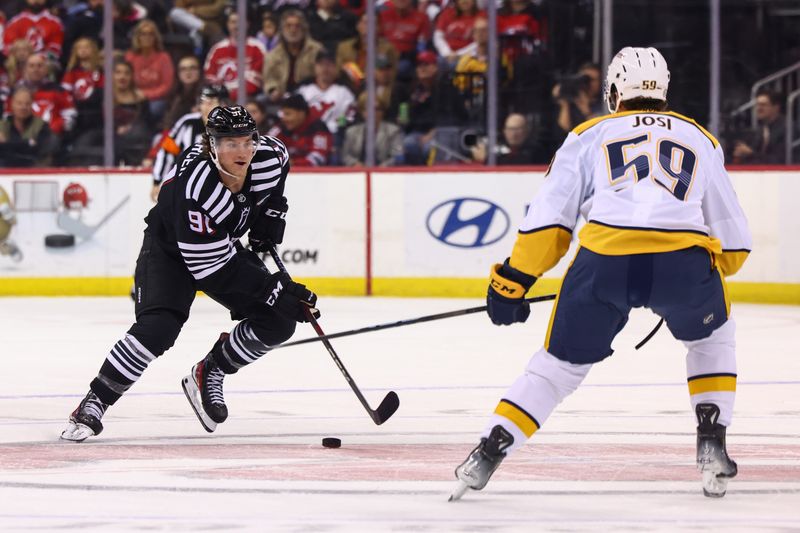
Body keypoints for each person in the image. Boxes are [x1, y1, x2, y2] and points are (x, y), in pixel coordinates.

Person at [450, 47, 752, 501]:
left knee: (557, 370)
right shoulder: (700, 138)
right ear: (663, 91)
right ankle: (712, 439)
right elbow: (734, 241)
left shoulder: (587, 133)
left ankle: (489, 449)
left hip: (603, 262)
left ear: (614, 92)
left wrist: (513, 281)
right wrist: (705, 271)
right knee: (712, 340)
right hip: (683, 265)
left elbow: (550, 220)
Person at [61, 104, 319, 442]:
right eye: (230, 143)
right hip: (170, 250)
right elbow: (210, 269)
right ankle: (93, 403)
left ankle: (210, 370)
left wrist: (272, 213)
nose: (241, 151)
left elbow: (281, 166)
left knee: (278, 322)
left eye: (247, 141)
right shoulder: (197, 186)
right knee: (159, 328)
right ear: (212, 145)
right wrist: (276, 291)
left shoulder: (269, 156)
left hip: (217, 245)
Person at [151, 84, 230, 202]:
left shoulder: (232, 128)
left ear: (224, 104)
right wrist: (157, 180)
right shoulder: (187, 123)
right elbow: (167, 151)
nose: (206, 107)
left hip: (223, 189)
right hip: (188, 187)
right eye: (203, 102)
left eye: (212, 102)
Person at [203, 11, 267, 101]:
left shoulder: (257, 47)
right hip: (221, 99)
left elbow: (257, 80)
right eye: (233, 22)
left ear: (247, 24)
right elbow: (209, 77)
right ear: (228, 25)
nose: (236, 26)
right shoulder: (217, 49)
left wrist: (231, 95)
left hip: (249, 99)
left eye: (240, 22)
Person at [267, 93, 333, 166]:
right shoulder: (281, 127)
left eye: (288, 114)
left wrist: (292, 163)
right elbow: (265, 146)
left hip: (313, 174)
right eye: (283, 114)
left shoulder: (318, 128)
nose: (284, 118)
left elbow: (318, 158)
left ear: (301, 114)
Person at [0, 84, 58, 166]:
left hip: (33, 170)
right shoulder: (3, 125)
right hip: (7, 170)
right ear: (12, 104)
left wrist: (7, 145)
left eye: (27, 104)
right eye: (19, 103)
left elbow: (39, 150)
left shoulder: (41, 125)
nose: (23, 107)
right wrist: (28, 143)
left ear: (32, 105)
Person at [341, 92, 403, 166]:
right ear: (362, 112)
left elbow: (398, 156)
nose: (373, 113)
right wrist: (355, 163)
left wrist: (385, 166)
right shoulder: (351, 132)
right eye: (368, 109)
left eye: (377, 109)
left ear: (382, 112)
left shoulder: (393, 131)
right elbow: (345, 156)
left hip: (384, 173)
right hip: (358, 173)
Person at [731, 88, 787, 164]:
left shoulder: (787, 128)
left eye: (763, 105)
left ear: (776, 107)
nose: (758, 108)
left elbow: (781, 160)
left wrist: (751, 153)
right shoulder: (760, 129)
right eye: (757, 105)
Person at [0, 184, 23, 262]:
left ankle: (7, 245)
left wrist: (8, 214)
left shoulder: (1, 193)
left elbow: (5, 207)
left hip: (3, 230)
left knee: (4, 209)